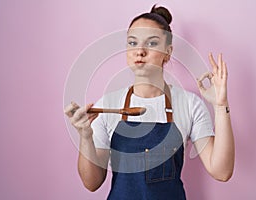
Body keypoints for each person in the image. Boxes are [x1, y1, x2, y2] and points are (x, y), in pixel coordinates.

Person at [64, 5, 234, 200]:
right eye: (133, 42)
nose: (140, 51)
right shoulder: (109, 104)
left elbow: (222, 171)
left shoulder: (189, 104)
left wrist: (221, 106)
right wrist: (85, 136)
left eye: (152, 43)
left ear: (168, 52)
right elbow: (91, 183)